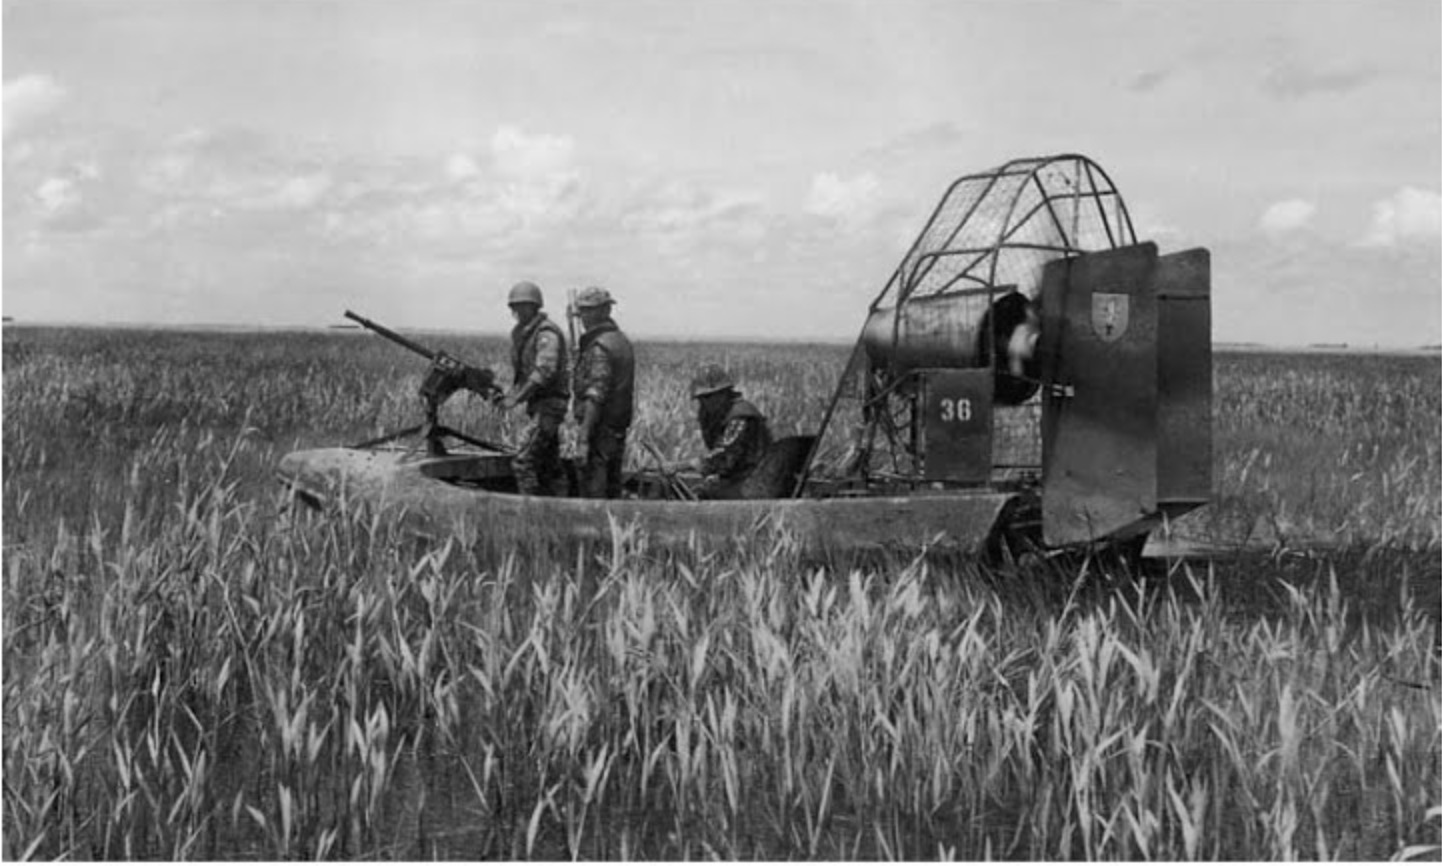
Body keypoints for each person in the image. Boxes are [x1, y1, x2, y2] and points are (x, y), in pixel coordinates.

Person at [495, 280, 570, 496]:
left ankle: (529, 512)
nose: (518, 311)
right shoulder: (523, 333)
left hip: (550, 406)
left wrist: (516, 399)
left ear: (534, 306)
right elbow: (523, 373)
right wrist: (507, 393)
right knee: (550, 462)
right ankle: (559, 505)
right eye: (515, 306)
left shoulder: (546, 333)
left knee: (523, 461)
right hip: (539, 405)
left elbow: (544, 372)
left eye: (523, 306)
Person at [571, 286, 634, 498]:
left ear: (604, 311)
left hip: (600, 430)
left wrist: (583, 439)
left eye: (589, 311)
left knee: (593, 489)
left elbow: (596, 395)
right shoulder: (620, 340)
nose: (583, 317)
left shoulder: (600, 346)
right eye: (582, 312)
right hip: (616, 429)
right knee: (611, 486)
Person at [688, 364, 772, 500]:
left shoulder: (740, 416)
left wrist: (684, 465)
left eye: (709, 397)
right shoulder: (715, 415)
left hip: (756, 481)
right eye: (702, 399)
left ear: (724, 394)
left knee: (704, 494)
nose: (705, 404)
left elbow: (724, 455)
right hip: (738, 477)